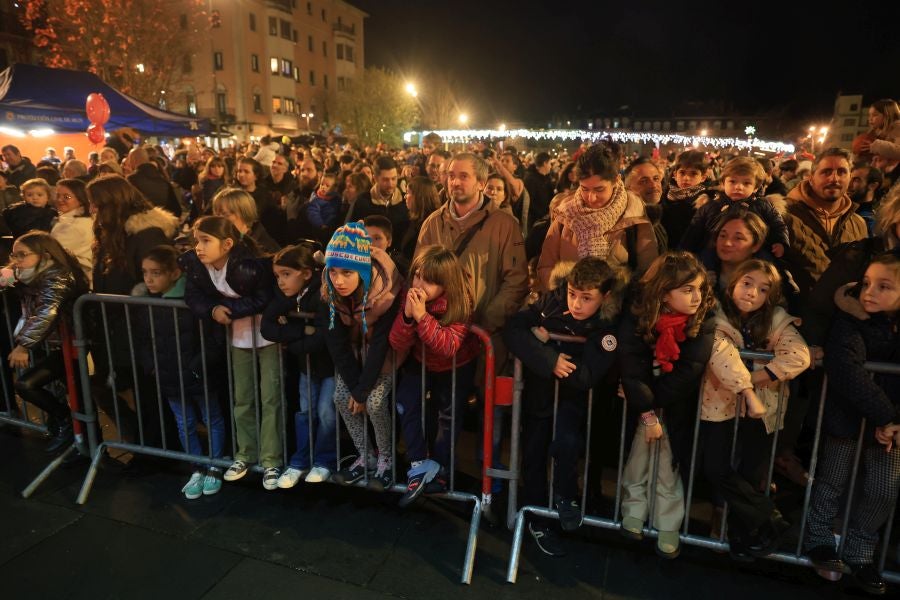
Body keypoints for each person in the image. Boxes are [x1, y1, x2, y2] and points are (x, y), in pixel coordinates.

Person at [504, 256, 626, 556]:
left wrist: (546, 347)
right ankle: (535, 516)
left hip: (575, 403)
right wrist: (549, 359)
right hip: (539, 396)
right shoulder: (551, 300)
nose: (576, 303)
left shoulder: (609, 324)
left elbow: (587, 375)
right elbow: (513, 330)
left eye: (587, 298)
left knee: (567, 446)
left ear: (605, 296)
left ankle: (565, 497)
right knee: (533, 454)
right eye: (573, 293)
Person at [700, 259, 809, 560]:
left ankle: (744, 535)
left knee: (751, 472)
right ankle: (767, 514)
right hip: (720, 403)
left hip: (763, 407)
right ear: (734, 281)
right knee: (715, 466)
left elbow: (799, 355)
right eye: (747, 283)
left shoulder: (775, 319)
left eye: (762, 289)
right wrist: (749, 385)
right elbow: (720, 355)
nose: (752, 293)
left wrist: (759, 378)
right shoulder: (714, 314)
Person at [805, 253, 900, 596]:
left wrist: (895, 421)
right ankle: (819, 542)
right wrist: (886, 416)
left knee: (884, 489)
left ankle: (861, 552)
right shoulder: (849, 319)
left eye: (884, 286)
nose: (869, 292)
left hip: (889, 430)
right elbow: (846, 368)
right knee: (831, 480)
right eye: (867, 283)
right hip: (847, 417)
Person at [618, 251, 717, 559]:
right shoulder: (638, 315)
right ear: (663, 291)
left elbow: (690, 370)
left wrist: (650, 402)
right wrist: (646, 412)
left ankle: (669, 522)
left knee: (668, 462)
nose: (697, 296)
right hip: (643, 402)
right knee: (639, 454)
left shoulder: (705, 319)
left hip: (676, 404)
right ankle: (632, 509)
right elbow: (631, 364)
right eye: (687, 289)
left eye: (699, 288)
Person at [179, 216, 281, 490]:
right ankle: (245, 454)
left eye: (205, 241)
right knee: (242, 397)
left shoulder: (249, 265)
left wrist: (231, 310)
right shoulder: (196, 265)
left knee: (271, 398)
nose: (198, 247)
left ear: (227, 244)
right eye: (196, 240)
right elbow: (193, 296)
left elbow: (264, 298)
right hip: (237, 337)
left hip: (268, 334)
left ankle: (272, 459)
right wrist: (213, 310)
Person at [416, 152, 528, 371]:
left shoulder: (505, 225)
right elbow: (418, 274)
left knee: (478, 402)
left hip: (481, 341)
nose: (455, 182)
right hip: (439, 340)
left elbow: (516, 281)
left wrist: (484, 323)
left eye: (463, 176)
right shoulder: (432, 223)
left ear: (481, 183)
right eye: (451, 176)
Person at [389, 246, 480, 505]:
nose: (419, 284)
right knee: (407, 401)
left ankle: (442, 471)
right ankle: (419, 462)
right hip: (421, 360)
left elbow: (448, 346)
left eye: (428, 280)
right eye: (417, 276)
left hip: (456, 366)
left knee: (447, 418)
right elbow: (397, 343)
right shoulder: (410, 295)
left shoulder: (461, 299)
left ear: (445, 283)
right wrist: (407, 318)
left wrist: (421, 316)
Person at [135, 246, 226, 499]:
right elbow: (144, 340)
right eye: (145, 273)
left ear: (174, 274)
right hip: (169, 374)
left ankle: (215, 466)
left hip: (197, 373)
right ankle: (197, 466)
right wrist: (152, 366)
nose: (149, 279)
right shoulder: (147, 302)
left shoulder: (193, 300)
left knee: (211, 418)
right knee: (184, 423)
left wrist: (197, 367)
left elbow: (212, 339)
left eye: (156, 273)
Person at [323, 222, 403, 490]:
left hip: (384, 354)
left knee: (375, 402)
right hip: (355, 353)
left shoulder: (386, 293)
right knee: (341, 397)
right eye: (332, 272)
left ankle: (387, 460)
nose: (338, 280)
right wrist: (355, 389)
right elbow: (336, 344)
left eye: (347, 272)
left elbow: (381, 343)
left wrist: (363, 390)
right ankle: (365, 456)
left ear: (362, 270)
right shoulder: (330, 293)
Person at [260, 243, 336, 487]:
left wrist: (290, 342)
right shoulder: (289, 296)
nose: (281, 281)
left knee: (326, 413)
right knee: (305, 412)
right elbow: (267, 327)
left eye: (286, 274)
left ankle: (324, 460)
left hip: (331, 367)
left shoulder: (322, 295)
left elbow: (323, 337)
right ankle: (300, 460)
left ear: (305, 273)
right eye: (278, 276)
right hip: (306, 367)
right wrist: (302, 329)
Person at [7, 231, 88, 453]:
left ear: (44, 254)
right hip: (55, 344)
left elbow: (46, 312)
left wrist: (24, 345)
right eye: (14, 255)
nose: (16, 261)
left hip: (72, 344)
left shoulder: (58, 276)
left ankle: (77, 435)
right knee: (70, 395)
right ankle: (71, 434)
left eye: (22, 255)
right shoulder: (32, 275)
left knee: (30, 384)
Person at [537, 143, 657, 290]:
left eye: (599, 189)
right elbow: (546, 266)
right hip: (569, 307)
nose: (591, 197)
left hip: (619, 308)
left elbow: (648, 273)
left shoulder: (635, 215)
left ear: (616, 180)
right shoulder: (565, 214)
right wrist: (566, 294)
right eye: (584, 189)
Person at [783, 148, 868, 296]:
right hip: (794, 313)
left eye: (842, 172)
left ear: (849, 177)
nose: (834, 179)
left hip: (842, 314)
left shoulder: (858, 223)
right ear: (811, 177)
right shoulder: (784, 215)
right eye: (826, 172)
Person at [680, 156, 789, 258]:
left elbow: (778, 225)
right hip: (713, 253)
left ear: (756, 187)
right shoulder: (710, 206)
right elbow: (693, 231)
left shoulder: (762, 205)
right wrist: (684, 253)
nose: (738, 187)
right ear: (723, 183)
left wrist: (780, 242)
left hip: (751, 257)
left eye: (746, 183)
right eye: (732, 181)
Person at [346, 156, 410, 246]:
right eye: (385, 179)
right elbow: (348, 233)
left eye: (394, 178)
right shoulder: (362, 201)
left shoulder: (405, 201)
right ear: (375, 178)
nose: (390, 184)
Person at [660, 150, 713, 248]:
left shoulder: (707, 201)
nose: (686, 178)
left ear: (703, 177)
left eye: (693, 174)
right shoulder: (664, 195)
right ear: (675, 175)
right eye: (682, 173)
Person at [51, 178, 94, 286]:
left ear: (80, 199)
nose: (60, 200)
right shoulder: (69, 220)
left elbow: (52, 255)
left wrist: (8, 277)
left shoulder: (76, 226)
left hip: (69, 284)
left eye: (67, 197)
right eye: (57, 195)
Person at [212, 188, 280, 254]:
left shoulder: (264, 247)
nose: (218, 220)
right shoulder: (218, 238)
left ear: (243, 213)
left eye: (225, 214)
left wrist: (241, 240)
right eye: (216, 214)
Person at [125, 148, 182, 218]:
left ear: (133, 160)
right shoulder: (163, 179)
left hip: (141, 223)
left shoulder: (131, 180)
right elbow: (177, 210)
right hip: (162, 222)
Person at [399, 176, 440, 263]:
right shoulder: (413, 219)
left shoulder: (431, 223)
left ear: (418, 197)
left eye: (408, 192)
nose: (405, 197)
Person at [306, 171, 342, 244]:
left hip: (333, 228)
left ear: (334, 188)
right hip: (321, 229)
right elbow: (313, 213)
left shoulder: (336, 199)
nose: (323, 187)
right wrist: (321, 224)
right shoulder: (316, 200)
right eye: (322, 184)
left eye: (327, 186)